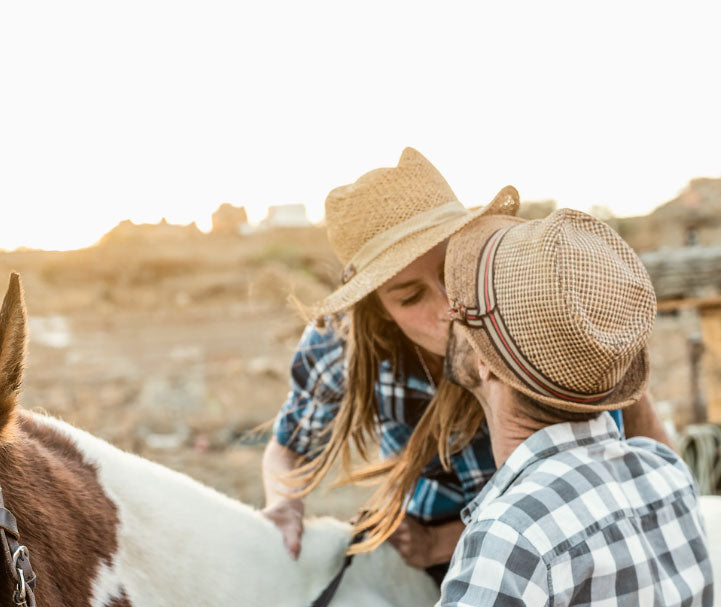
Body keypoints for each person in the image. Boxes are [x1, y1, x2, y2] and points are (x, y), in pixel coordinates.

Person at [0, 208, 720, 607]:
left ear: (487, 357)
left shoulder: (514, 530)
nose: (443, 314)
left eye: (461, 297)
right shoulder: (661, 473)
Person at [261, 148, 671, 577]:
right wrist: (284, 504)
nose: (448, 306)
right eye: (411, 296)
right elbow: (286, 448)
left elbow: (614, 485)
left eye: (452, 270)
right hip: (437, 551)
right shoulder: (338, 347)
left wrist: (438, 543)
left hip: (575, 542)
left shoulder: (533, 309)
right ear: (378, 310)